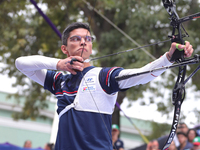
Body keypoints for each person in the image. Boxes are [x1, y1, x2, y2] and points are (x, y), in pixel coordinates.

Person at [15, 22, 194, 150]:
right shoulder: (59, 81)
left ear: (91, 46)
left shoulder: (103, 77)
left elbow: (141, 75)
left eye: (87, 39)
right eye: (76, 39)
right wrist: (58, 64)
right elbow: (21, 63)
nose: (83, 42)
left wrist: (168, 58)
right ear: (65, 49)